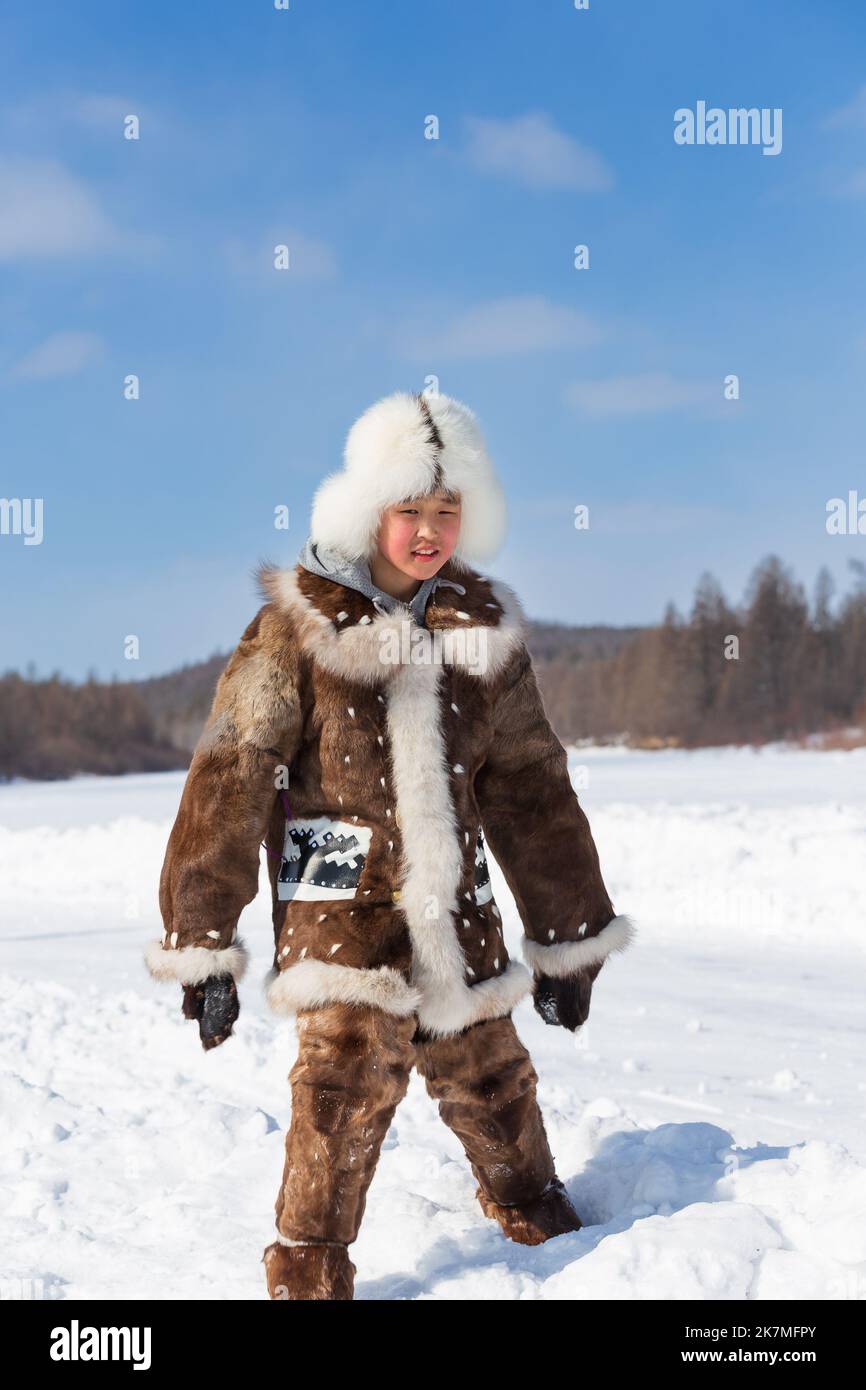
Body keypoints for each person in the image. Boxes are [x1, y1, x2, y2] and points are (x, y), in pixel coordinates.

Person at [145, 389, 635, 1300]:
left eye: (447, 511)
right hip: (339, 906)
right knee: (341, 1084)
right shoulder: (296, 626)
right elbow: (231, 776)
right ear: (368, 507)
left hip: (457, 909)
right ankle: (308, 1270)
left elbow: (530, 784)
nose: (428, 531)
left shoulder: (481, 631)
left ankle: (548, 1231)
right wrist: (202, 941)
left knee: (491, 1074)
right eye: (410, 508)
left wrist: (571, 938)